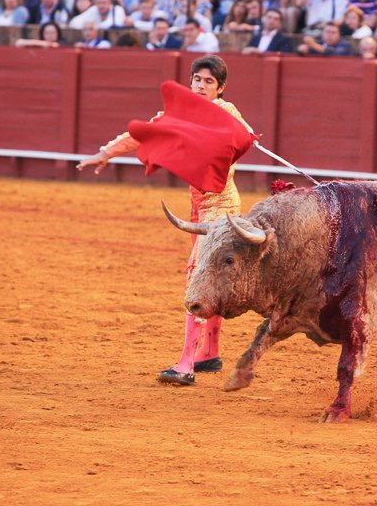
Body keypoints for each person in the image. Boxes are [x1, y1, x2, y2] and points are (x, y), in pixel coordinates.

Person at [77, 55, 252, 386]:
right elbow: (145, 133)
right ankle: (209, 353)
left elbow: (242, 137)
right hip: (199, 207)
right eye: (196, 79)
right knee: (211, 277)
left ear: (221, 88)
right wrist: (105, 153)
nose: (200, 86)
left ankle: (186, 364)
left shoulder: (228, 114)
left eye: (208, 82)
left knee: (197, 278)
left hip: (221, 209)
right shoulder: (180, 112)